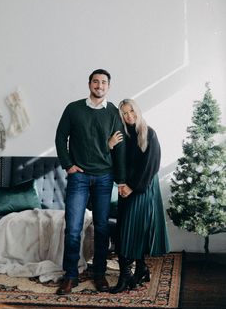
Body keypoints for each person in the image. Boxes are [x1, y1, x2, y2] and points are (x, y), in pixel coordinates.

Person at [55, 69, 126, 295]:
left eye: (104, 82)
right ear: (89, 84)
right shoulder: (73, 109)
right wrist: (68, 165)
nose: (99, 85)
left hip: (105, 177)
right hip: (80, 177)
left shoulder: (114, 112)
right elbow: (60, 137)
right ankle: (71, 276)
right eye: (96, 81)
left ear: (108, 87)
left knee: (102, 228)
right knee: (73, 228)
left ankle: (99, 274)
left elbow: (120, 146)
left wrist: (121, 179)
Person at [108, 98, 170, 294]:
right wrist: (121, 182)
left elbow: (151, 165)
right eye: (124, 113)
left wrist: (132, 187)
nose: (129, 116)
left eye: (131, 111)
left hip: (143, 188)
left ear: (138, 111)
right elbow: (117, 162)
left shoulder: (149, 133)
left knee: (130, 229)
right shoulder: (123, 135)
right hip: (127, 187)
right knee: (127, 229)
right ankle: (141, 269)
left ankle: (125, 275)